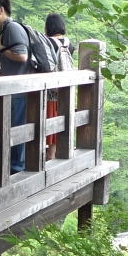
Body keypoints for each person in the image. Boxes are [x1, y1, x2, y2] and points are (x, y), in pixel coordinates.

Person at [0, 0, 30, 172]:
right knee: (12, 129)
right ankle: (13, 168)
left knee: (16, 130)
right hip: (15, 89)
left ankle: (16, 169)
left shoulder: (12, 28)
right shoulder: (6, 29)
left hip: (19, 90)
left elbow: (22, 56)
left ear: (1, 10)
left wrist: (0, 48)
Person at [44, 13, 75, 160]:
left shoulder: (47, 43)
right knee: (61, 120)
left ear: (48, 27)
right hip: (65, 91)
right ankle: (54, 153)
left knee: (48, 122)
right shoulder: (69, 44)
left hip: (50, 92)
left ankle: (49, 156)